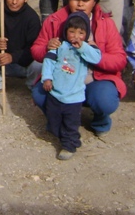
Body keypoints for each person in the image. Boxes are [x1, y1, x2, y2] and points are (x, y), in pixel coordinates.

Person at [32, 0, 127, 138]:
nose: (81, 4)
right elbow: (36, 50)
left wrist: (95, 55)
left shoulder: (105, 23)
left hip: (96, 78)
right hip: (63, 76)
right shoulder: (54, 21)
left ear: (94, 1)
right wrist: (48, 47)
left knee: (104, 99)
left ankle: (100, 120)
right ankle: (60, 118)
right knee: (39, 93)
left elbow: (120, 60)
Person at [41, 11, 101, 160]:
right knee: (53, 121)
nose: (76, 36)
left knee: (71, 123)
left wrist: (83, 46)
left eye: (81, 33)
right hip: (55, 93)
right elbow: (49, 62)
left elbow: (96, 58)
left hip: (74, 97)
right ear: (65, 31)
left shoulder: (88, 48)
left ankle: (70, 145)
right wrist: (47, 78)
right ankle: (64, 137)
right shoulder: (59, 45)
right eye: (72, 31)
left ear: (86, 34)